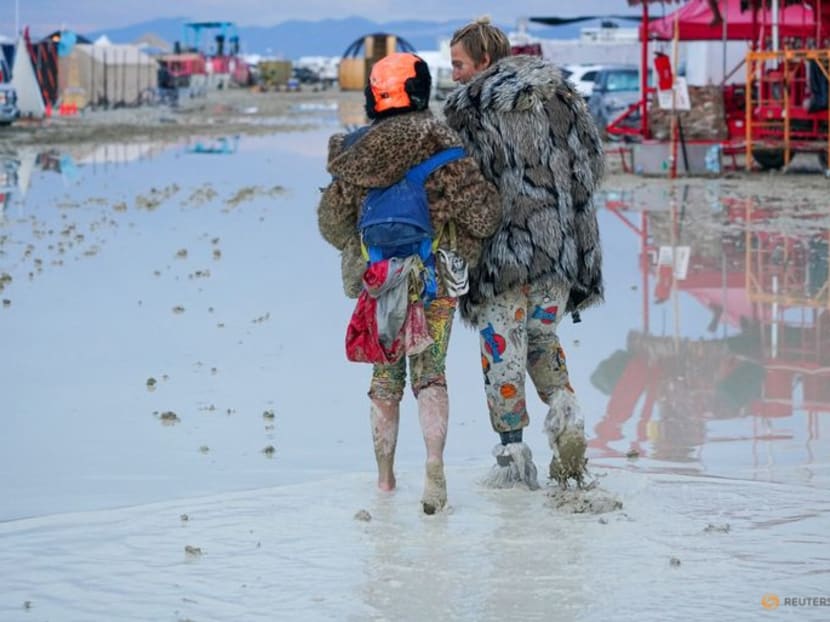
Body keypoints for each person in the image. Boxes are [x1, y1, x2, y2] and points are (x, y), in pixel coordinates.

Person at [318, 52, 501, 513]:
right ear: (420, 90)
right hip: (434, 280)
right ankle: (435, 467)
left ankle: (384, 482)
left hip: (377, 283)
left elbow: (331, 224)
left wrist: (365, 254)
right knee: (431, 374)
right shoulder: (442, 142)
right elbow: (483, 214)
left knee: (385, 381)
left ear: (373, 95)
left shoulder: (353, 150)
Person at [443, 17, 606, 489]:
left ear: (485, 61)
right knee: (543, 342)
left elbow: (464, 192)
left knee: (502, 355)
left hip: (502, 257)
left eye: (458, 64)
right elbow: (590, 169)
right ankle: (567, 419)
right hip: (559, 253)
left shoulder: (471, 109)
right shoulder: (563, 98)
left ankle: (514, 458)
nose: (453, 75)